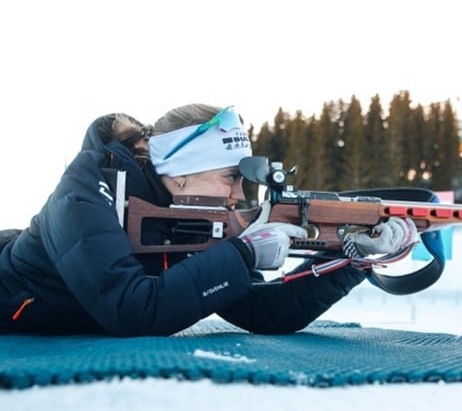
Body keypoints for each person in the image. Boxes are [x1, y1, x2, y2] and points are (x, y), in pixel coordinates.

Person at [0, 104, 417, 337]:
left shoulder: (192, 212)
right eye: (230, 177)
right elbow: (131, 311)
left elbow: (265, 312)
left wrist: (350, 260)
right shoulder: (84, 193)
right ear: (183, 172)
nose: (239, 195)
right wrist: (243, 254)